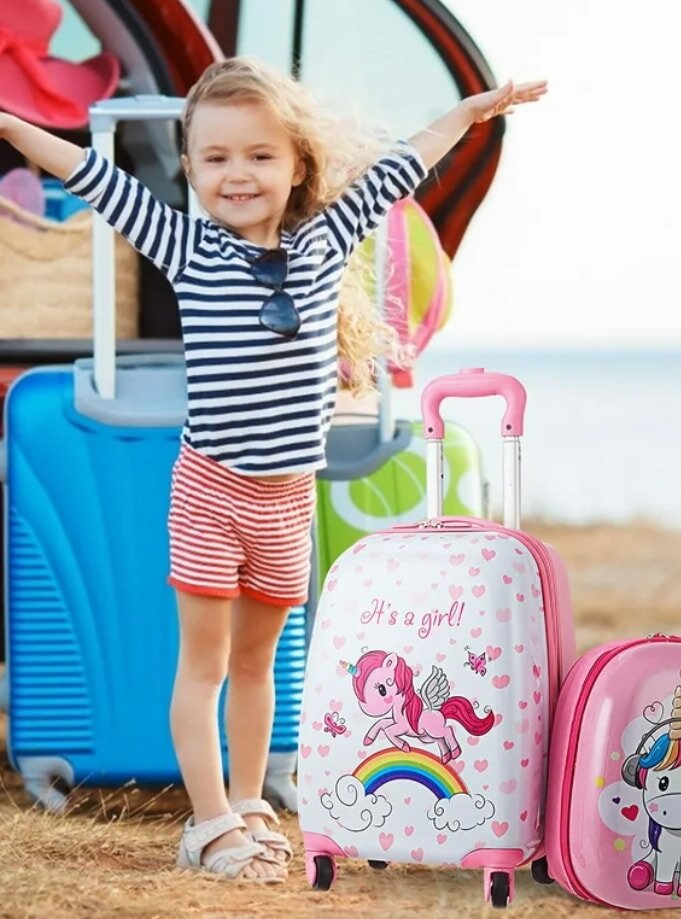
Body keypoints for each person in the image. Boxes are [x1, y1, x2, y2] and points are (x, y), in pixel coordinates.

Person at [0, 56, 546, 882]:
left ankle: (249, 801)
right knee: (206, 664)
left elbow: (406, 159)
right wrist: (8, 125)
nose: (237, 174)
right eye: (215, 158)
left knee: (260, 666)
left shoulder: (328, 237)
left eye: (259, 155)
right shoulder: (183, 245)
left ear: (296, 167)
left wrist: (472, 110)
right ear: (189, 171)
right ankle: (208, 820)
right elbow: (88, 171)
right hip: (210, 495)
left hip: (286, 502)